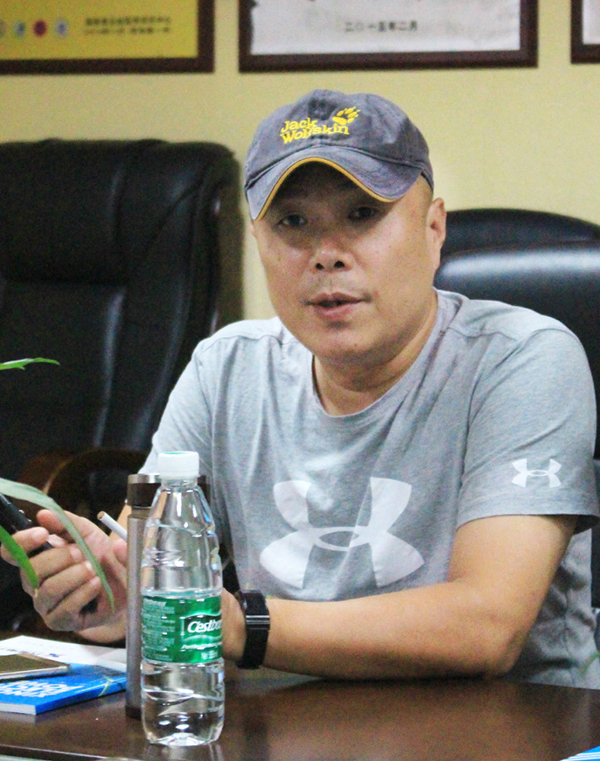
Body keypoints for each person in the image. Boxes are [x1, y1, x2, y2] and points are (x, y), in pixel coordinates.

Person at [3, 89, 600, 688]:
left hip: (506, 724)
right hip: (283, 724)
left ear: (433, 229)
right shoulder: (225, 368)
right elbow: (157, 584)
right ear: (259, 242)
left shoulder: (522, 358)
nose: (326, 256)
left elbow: (487, 626)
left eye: (362, 215)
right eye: (292, 222)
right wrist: (110, 594)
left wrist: (237, 624)